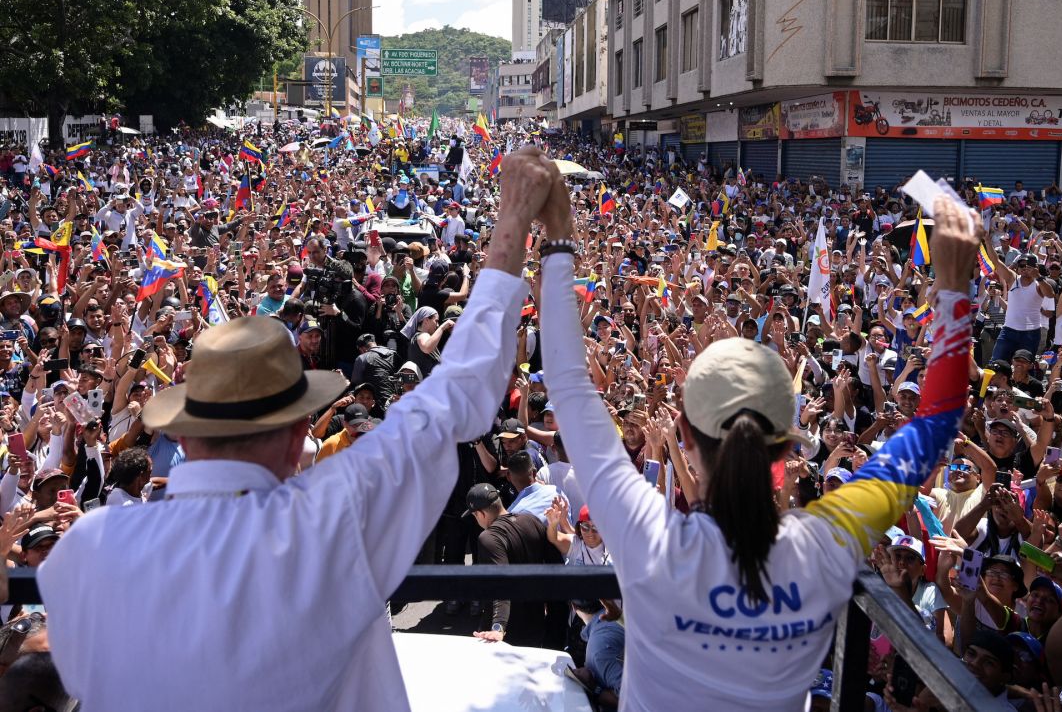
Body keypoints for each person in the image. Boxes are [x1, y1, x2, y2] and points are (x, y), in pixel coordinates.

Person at [36, 148, 554, 711]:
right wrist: (514, 219)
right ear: (298, 430)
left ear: (183, 436)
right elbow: (465, 389)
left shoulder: (86, 553)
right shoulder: (334, 518)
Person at [536, 176, 980, 708]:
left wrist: (558, 235)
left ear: (687, 442)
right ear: (785, 452)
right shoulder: (824, 544)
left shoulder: (645, 536)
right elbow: (935, 426)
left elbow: (565, 381)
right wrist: (956, 285)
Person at [464, 482, 566, 648]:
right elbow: (555, 566)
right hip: (538, 622)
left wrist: (498, 627)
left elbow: (502, 583)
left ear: (481, 514)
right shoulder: (532, 520)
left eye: (474, 516)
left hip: (508, 633)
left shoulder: (488, 538)